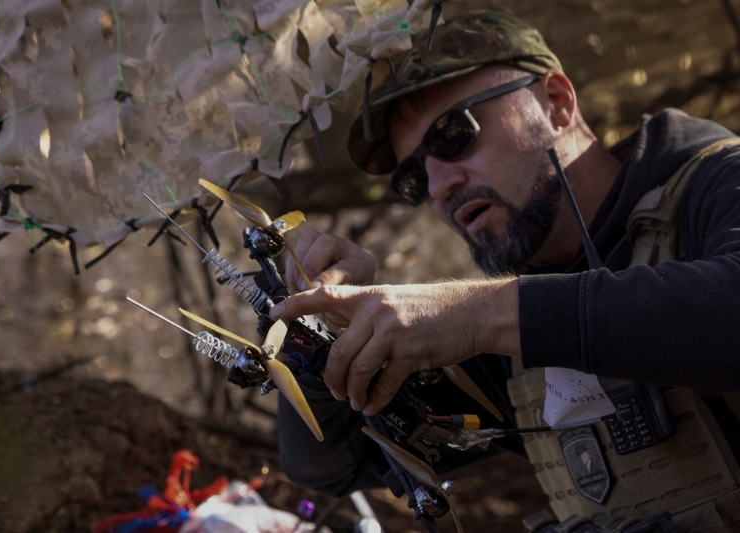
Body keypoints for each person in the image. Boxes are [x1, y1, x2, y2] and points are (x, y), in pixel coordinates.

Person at [270, 10, 740, 532]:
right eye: (413, 179)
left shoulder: (717, 183)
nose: (439, 186)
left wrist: (481, 313)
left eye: (453, 135)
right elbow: (334, 463)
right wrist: (323, 326)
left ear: (556, 103)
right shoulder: (502, 334)